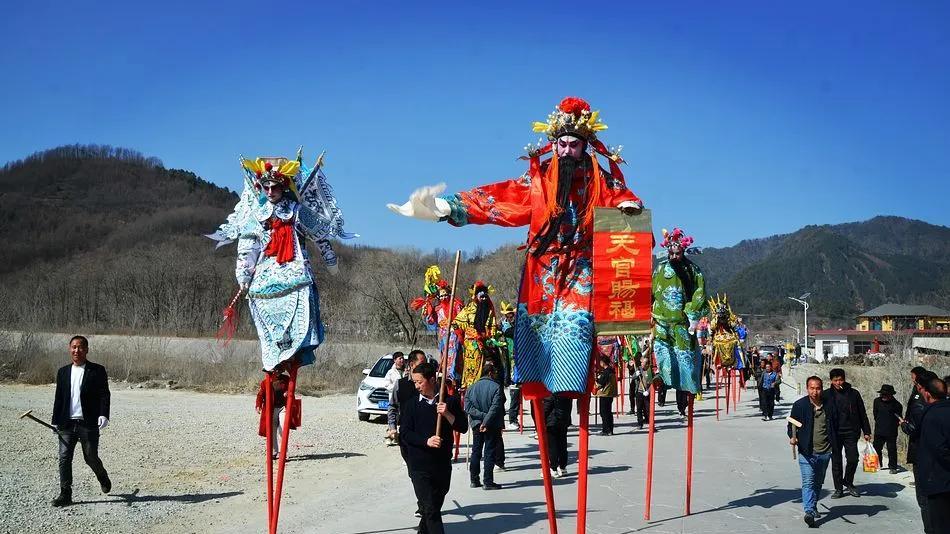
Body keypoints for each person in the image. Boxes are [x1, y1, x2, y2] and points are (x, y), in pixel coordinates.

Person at [208, 149, 354, 372]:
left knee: (305, 294)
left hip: (295, 269)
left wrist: (329, 258)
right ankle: (274, 356)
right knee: (258, 302)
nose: (269, 191)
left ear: (283, 186)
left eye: (274, 187)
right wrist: (244, 274)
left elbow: (319, 235)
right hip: (265, 273)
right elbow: (248, 245)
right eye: (265, 187)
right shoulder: (257, 214)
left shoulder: (296, 211)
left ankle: (293, 351)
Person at [401, 361, 469, 534]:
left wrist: (447, 413)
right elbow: (406, 434)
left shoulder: (449, 402)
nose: (416, 386)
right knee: (430, 509)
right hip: (419, 466)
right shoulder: (411, 405)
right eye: (414, 382)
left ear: (432, 380)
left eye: (419, 382)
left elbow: (462, 427)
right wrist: (426, 441)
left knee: (432, 508)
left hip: (442, 465)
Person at [51, 335, 112, 507]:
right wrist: (56, 420)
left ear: (86, 350)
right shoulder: (63, 372)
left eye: (80, 347)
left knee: (90, 457)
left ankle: (102, 477)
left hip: (88, 423)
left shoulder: (97, 370)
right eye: (74, 347)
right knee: (64, 458)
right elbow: (59, 398)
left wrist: (104, 414)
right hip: (66, 423)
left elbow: (104, 394)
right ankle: (66, 494)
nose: (77, 350)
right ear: (69, 349)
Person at [652, 228, 706, 406]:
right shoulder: (659, 268)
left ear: (683, 251)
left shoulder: (692, 270)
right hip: (661, 319)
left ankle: (688, 388)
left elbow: (699, 292)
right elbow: (651, 292)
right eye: (671, 253)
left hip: (683, 322)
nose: (674, 256)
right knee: (663, 353)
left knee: (686, 357)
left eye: (678, 253)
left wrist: (692, 313)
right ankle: (663, 379)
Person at [788, 376, 836, 528]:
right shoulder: (799, 405)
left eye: (818, 388)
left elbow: (836, 425)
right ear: (807, 388)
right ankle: (809, 511)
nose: (815, 391)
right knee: (808, 481)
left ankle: (813, 505)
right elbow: (791, 426)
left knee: (818, 482)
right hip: (806, 451)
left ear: (822, 388)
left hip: (825, 451)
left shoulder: (829, 405)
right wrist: (792, 437)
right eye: (812, 388)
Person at [823, 368, 872, 498]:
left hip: (851, 432)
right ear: (831, 381)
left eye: (841, 379)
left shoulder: (854, 394)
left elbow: (862, 413)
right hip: (834, 433)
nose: (839, 382)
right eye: (836, 380)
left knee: (853, 459)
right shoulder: (826, 395)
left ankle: (848, 482)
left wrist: (866, 431)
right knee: (836, 461)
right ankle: (838, 488)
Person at [902, 369, 941, 533]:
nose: (914, 385)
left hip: (923, 456)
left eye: (916, 382)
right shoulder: (942, 404)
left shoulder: (920, 404)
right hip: (938, 457)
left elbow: (913, 428)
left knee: (925, 498)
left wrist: (904, 425)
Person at [915, 375, 950, 534]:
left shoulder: (931, 416)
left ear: (927, 394)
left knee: (938, 526)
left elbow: (940, 449)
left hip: (938, 482)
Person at [465, 362, 504, 489]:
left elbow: (468, 407)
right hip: (491, 424)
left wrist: (481, 417)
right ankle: (488, 481)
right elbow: (495, 407)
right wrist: (486, 419)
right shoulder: (496, 387)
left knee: (476, 451)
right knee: (489, 452)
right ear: (490, 373)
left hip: (476, 424)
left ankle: (473, 479)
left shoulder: (471, 388)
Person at [453, 281, 498, 390]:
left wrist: (490, 337)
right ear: (476, 296)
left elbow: (492, 325)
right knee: (470, 366)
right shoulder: (469, 308)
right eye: (481, 297)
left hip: (485, 342)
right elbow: (456, 322)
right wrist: (463, 333)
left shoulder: (489, 309)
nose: (483, 299)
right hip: (471, 343)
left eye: (485, 297)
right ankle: (470, 387)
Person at [255, 368, 299, 459]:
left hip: (284, 407)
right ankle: (274, 452)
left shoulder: (286, 379)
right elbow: (260, 395)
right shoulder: (265, 382)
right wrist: (258, 405)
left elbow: (292, 389)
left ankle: (283, 453)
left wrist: (289, 393)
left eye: (279, 370)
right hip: (271, 409)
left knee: (283, 429)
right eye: (275, 370)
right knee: (272, 430)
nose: (277, 372)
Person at [871, 384, 903, 473]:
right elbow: (875, 414)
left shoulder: (897, 405)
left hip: (891, 431)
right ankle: (877, 464)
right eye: (882, 394)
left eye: (886, 395)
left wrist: (892, 425)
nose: (883, 396)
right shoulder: (876, 401)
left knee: (891, 449)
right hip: (879, 429)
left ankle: (893, 467)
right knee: (876, 448)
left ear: (891, 395)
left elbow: (899, 418)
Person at [543, 394, 574, 478]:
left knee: (552, 446)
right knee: (562, 444)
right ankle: (563, 467)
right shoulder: (567, 390)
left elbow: (546, 406)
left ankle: (553, 468)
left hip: (552, 420)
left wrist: (541, 417)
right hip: (564, 419)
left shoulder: (552, 391)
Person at [384, 352, 407, 445]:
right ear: (395, 360)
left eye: (402, 358)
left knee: (402, 417)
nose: (402, 360)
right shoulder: (390, 372)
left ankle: (397, 437)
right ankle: (389, 436)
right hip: (394, 397)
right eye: (399, 358)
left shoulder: (407, 370)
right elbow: (386, 385)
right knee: (392, 416)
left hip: (405, 398)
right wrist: (396, 386)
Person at [594, 355, 617, 435]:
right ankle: (610, 429)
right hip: (610, 394)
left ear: (603, 362)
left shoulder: (606, 372)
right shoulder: (611, 370)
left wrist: (596, 379)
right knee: (608, 412)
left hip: (605, 394)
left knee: (604, 413)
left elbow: (601, 383)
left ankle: (606, 430)